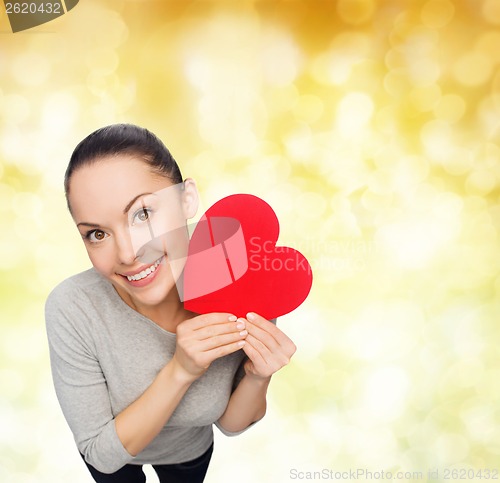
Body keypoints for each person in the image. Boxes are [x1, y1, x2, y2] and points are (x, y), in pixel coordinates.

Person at [45, 123, 296, 483]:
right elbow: (101, 454)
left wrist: (258, 376)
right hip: (116, 460)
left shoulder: (240, 277)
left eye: (142, 214)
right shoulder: (72, 308)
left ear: (186, 198)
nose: (129, 253)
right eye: (97, 234)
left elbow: (230, 425)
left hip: (189, 453)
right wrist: (181, 370)